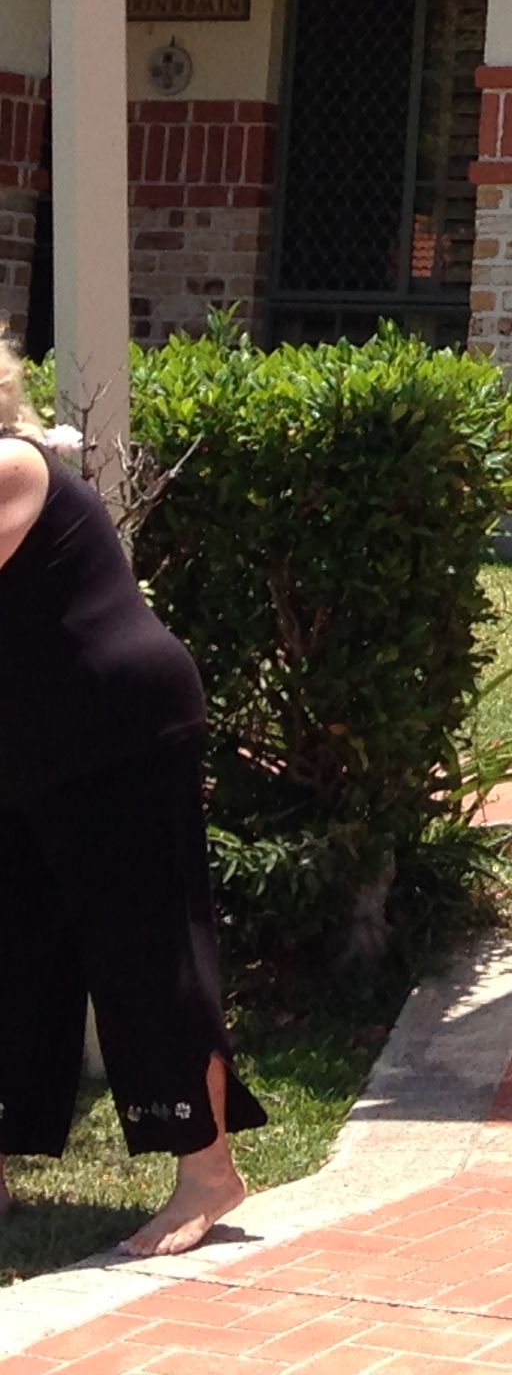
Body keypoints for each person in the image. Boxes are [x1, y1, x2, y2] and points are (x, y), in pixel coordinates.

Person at [0, 341, 259, 1257]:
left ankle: (209, 1171)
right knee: (13, 943)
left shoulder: (9, 465)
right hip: (29, 742)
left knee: (145, 947)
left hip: (118, 728)